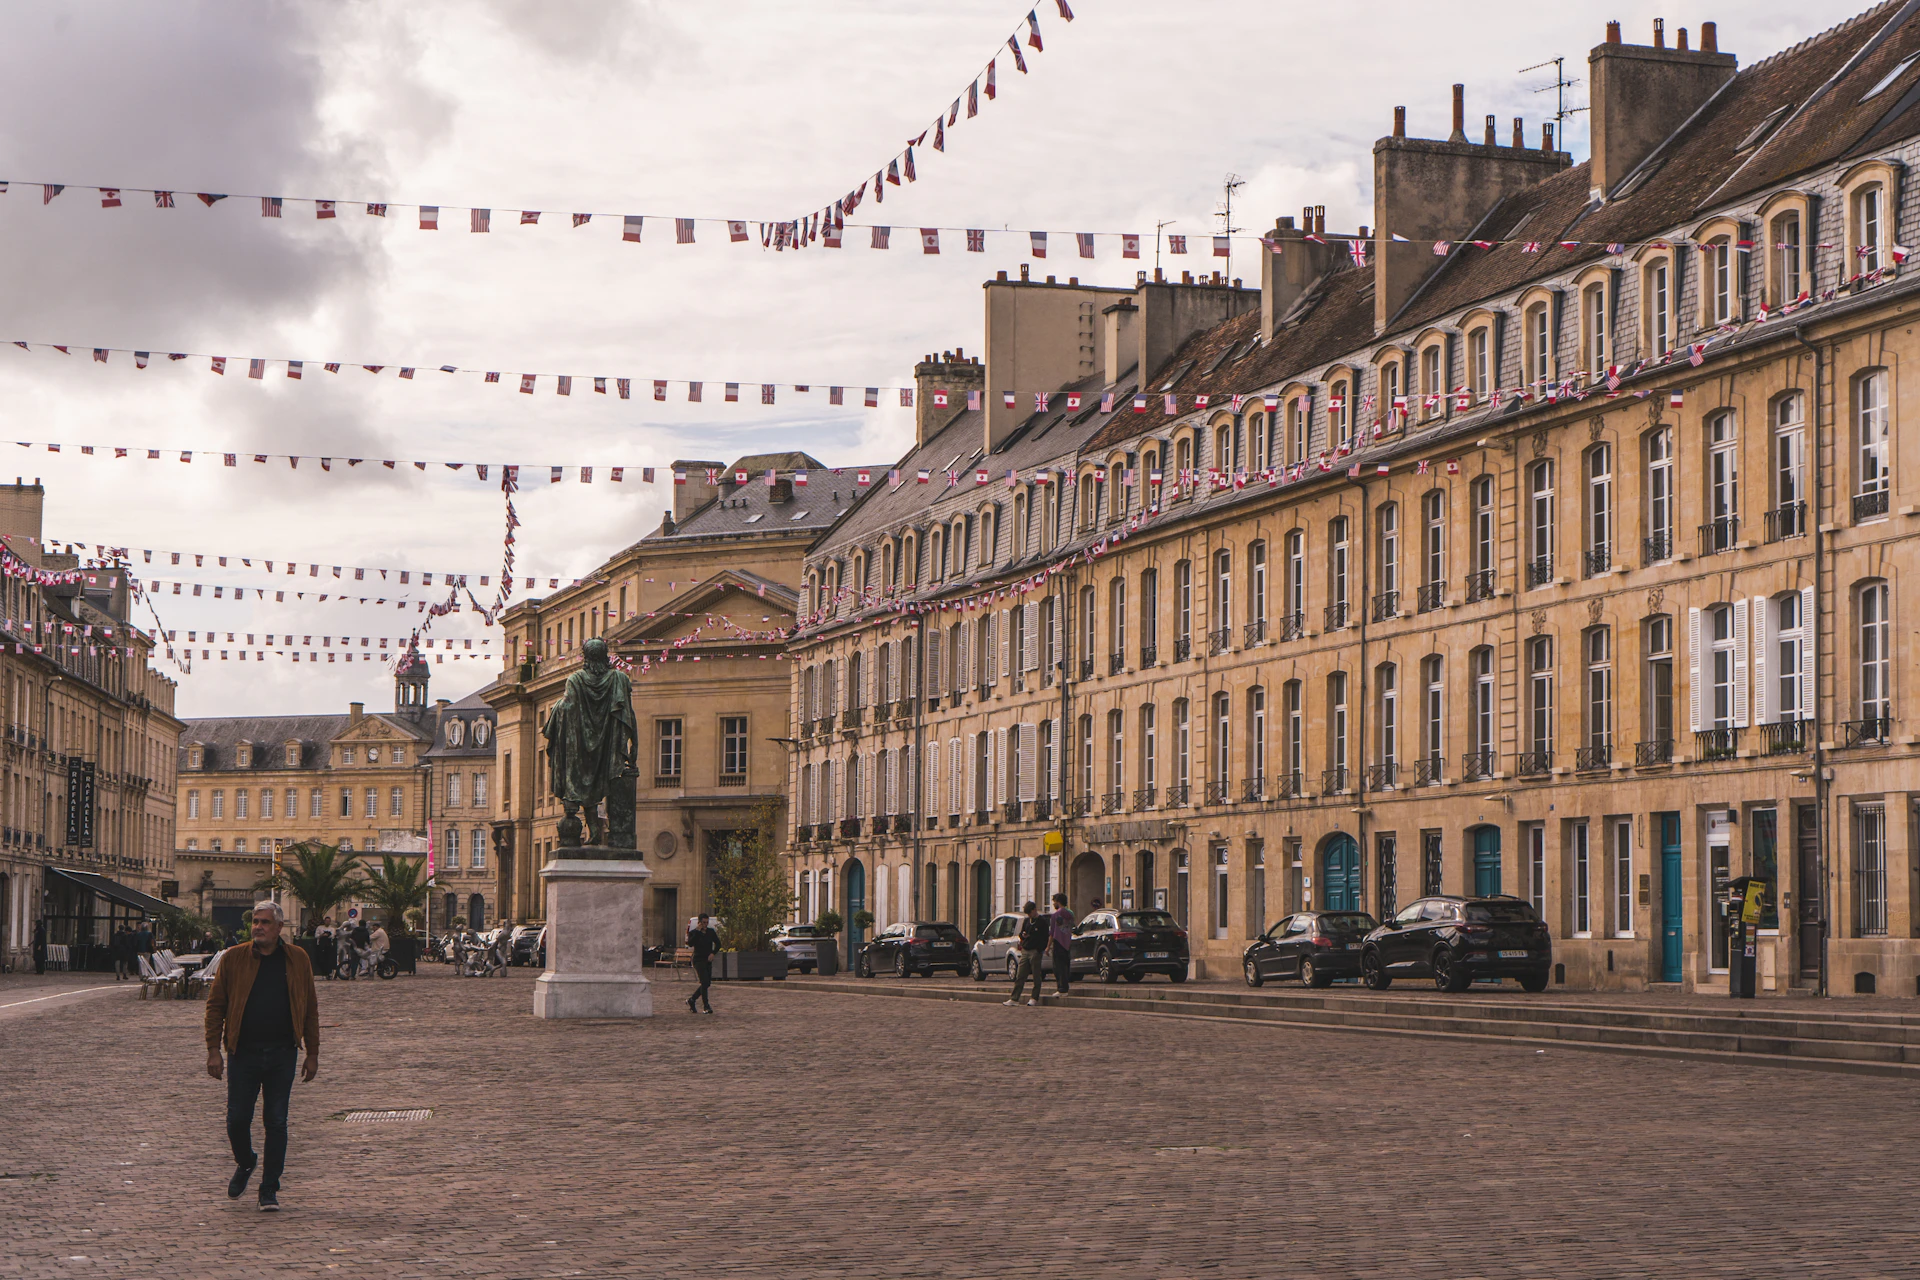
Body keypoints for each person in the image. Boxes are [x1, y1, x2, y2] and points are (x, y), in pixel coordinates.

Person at [204, 901, 319, 1213]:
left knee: (276, 1121)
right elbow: (216, 1006)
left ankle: (269, 1188)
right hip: (243, 1053)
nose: (258, 927)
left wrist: (313, 1053)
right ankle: (246, 1161)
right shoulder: (234, 958)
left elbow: (309, 1008)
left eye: (265, 922)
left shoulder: (297, 958)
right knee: (237, 1119)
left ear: (279, 927)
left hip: (283, 1053)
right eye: (255, 921)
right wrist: (213, 1049)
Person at [1005, 901, 1049, 1008]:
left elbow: (1045, 937)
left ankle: (1034, 997)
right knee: (1020, 975)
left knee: (1036, 975)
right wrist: (1023, 936)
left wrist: (1040, 949)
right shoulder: (1026, 921)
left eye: (1030, 913)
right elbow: (1021, 933)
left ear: (1034, 910)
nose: (1029, 915)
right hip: (1026, 949)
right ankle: (1014, 998)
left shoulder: (1042, 922)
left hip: (1035, 950)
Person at [686, 913, 719, 1014]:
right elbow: (690, 943)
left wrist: (713, 953)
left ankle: (692, 1000)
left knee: (707, 983)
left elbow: (718, 943)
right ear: (699, 922)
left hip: (707, 960)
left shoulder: (711, 932)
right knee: (704, 981)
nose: (705, 925)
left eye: (706, 923)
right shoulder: (693, 932)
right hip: (698, 960)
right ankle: (706, 1006)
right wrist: (697, 931)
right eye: (703, 923)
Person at [1046, 893, 1075, 997]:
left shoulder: (1055, 915)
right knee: (1065, 965)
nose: (1053, 903)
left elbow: (1052, 933)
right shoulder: (1070, 914)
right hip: (1067, 942)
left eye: (1054, 901)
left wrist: (1048, 946)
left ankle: (1061, 988)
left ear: (1058, 902)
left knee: (1058, 967)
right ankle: (1065, 987)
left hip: (1058, 942)